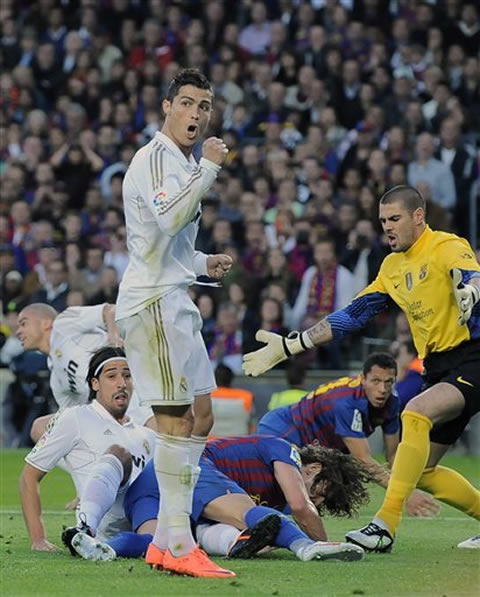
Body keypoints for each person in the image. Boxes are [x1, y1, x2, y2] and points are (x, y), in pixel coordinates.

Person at [243, 185, 480, 551]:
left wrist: (471, 292)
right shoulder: (391, 266)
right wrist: (294, 343)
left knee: (415, 413)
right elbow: (353, 314)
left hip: (473, 355)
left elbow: (468, 275)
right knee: (420, 470)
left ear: (419, 217)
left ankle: (384, 526)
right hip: (439, 366)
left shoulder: (447, 245)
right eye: (383, 220)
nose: (388, 227)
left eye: (395, 219)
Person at [115, 68, 235, 578]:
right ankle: (180, 545)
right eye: (186, 103)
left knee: (197, 418)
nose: (195, 113)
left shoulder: (180, 163)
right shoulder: (157, 158)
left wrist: (202, 263)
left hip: (176, 293)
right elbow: (166, 220)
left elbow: (168, 243)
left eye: (203, 106)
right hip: (155, 302)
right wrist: (208, 168)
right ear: (167, 107)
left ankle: (167, 538)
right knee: (171, 421)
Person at [68, 436, 367, 563]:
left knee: (161, 544)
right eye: (319, 490)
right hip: (193, 469)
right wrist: (317, 540)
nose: (314, 499)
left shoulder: (274, 497)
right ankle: (306, 549)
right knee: (258, 516)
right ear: (314, 467)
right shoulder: (285, 450)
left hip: (148, 483)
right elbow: (301, 508)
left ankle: (104, 548)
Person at [258, 352, 437, 518]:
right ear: (363, 379)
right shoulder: (347, 403)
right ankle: (260, 527)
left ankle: (292, 533)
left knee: (321, 493)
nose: (382, 389)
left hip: (317, 444)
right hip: (286, 428)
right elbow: (362, 459)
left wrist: (407, 485)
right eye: (375, 381)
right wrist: (406, 494)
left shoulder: (392, 402)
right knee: (289, 488)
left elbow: (393, 455)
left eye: (388, 382)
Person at [19, 346, 155, 552]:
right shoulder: (76, 418)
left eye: (127, 376)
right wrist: (38, 539)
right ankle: (85, 531)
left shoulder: (144, 434)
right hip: (104, 525)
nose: (121, 383)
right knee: (118, 455)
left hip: (144, 522)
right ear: (95, 383)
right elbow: (29, 475)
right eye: (112, 376)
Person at [15, 303, 152, 432]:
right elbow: (70, 411)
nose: (18, 332)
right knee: (40, 427)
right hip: (106, 414)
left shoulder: (63, 324)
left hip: (132, 389)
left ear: (46, 323)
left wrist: (113, 335)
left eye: (23, 324)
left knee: (155, 430)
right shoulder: (56, 377)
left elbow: (109, 310)